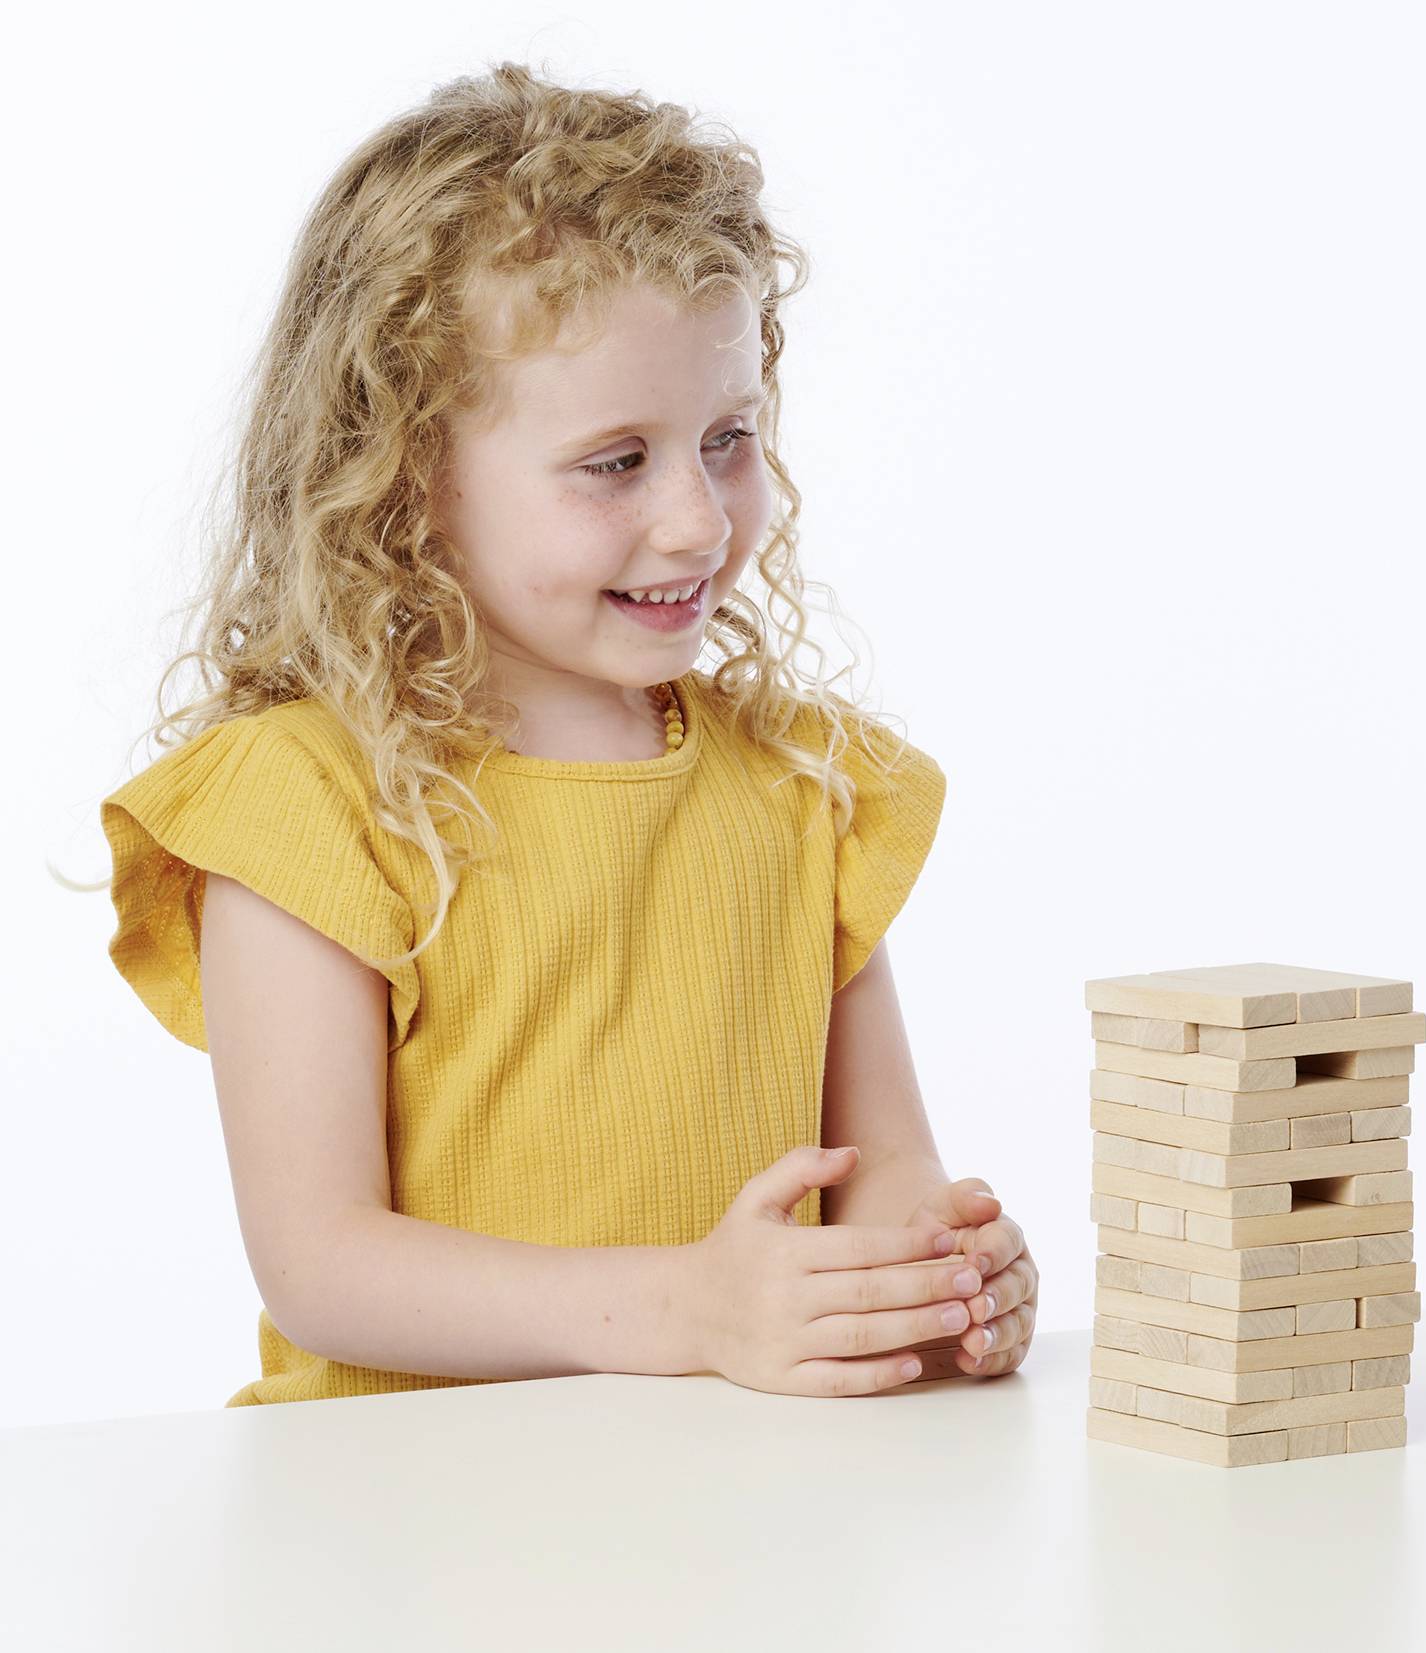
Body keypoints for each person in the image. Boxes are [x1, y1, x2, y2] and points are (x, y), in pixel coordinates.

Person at [90, 62, 1037, 1407]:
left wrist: (941, 1280)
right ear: (408, 473)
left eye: (726, 438)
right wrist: (686, 1306)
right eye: (616, 461)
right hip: (396, 1549)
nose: (698, 521)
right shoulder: (305, 805)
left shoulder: (805, 789)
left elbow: (887, 1181)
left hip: (735, 1535)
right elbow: (320, 1260)